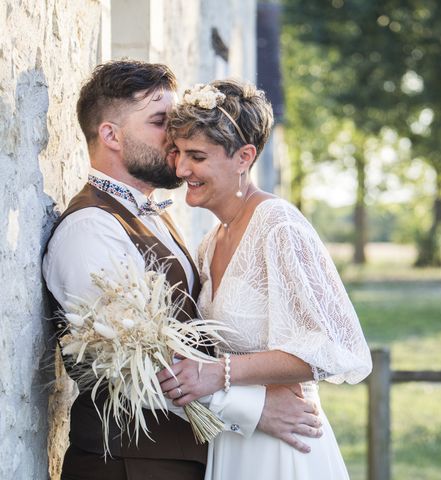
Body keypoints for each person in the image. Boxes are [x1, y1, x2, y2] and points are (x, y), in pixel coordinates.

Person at [42, 60, 322, 480]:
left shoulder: (153, 215)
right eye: (160, 122)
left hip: (178, 458)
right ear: (110, 135)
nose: (175, 137)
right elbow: (133, 364)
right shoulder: (90, 229)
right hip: (128, 466)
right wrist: (256, 407)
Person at [159, 79, 372, 479]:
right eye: (179, 153)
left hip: (286, 443)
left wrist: (217, 374)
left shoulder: (279, 226)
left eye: (197, 156)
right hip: (237, 437)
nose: (181, 168)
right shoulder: (210, 242)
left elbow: (332, 346)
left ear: (244, 157)